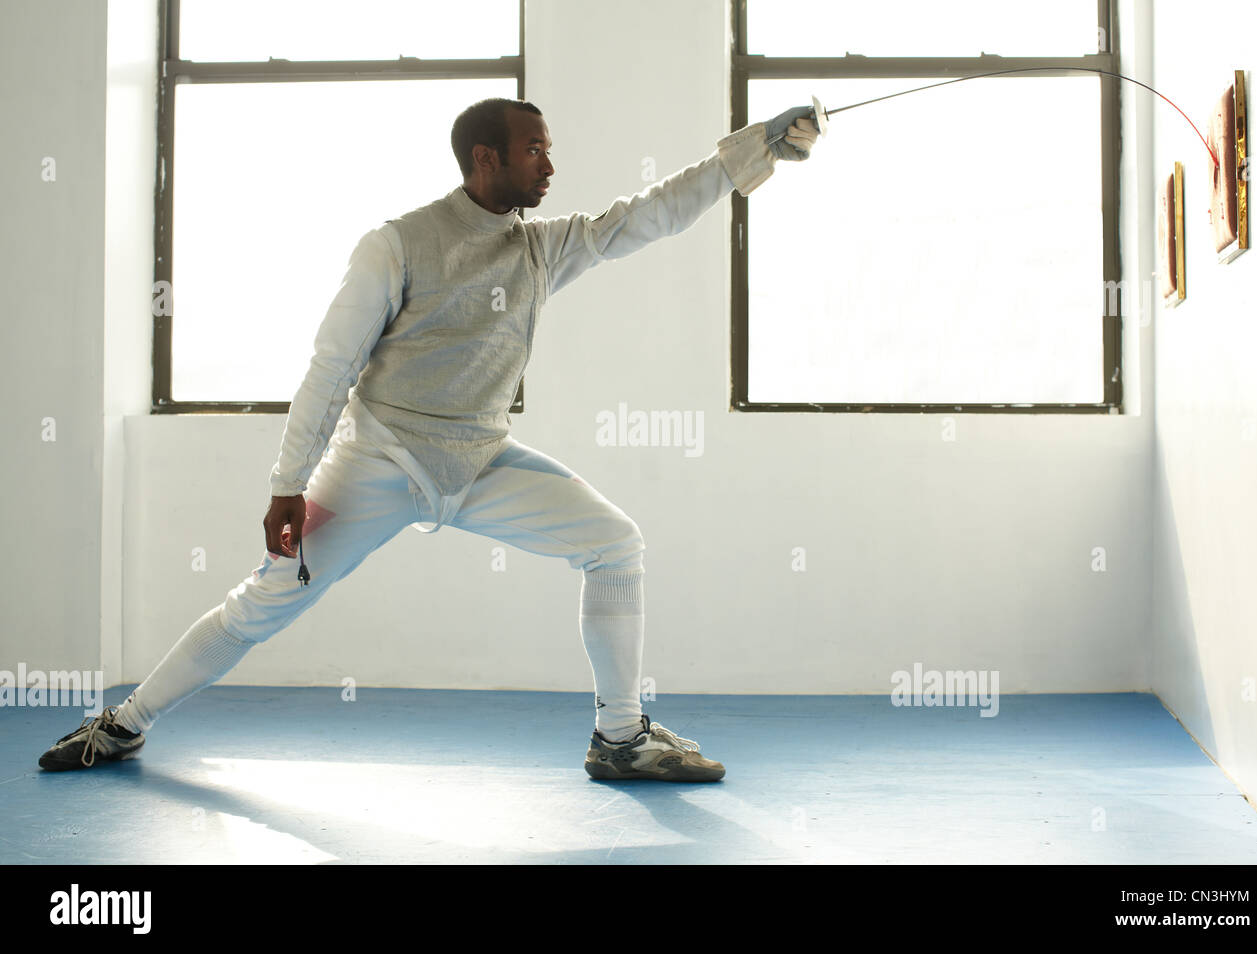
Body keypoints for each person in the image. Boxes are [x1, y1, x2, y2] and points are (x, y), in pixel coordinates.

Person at [38, 97, 820, 781]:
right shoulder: (398, 244)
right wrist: (288, 482)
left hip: (480, 463)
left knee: (615, 542)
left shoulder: (542, 247)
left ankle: (620, 736)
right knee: (264, 602)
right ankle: (123, 722)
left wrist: (754, 150)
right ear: (487, 159)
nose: (551, 163)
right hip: (378, 463)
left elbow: (649, 212)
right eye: (534, 149)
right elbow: (330, 365)